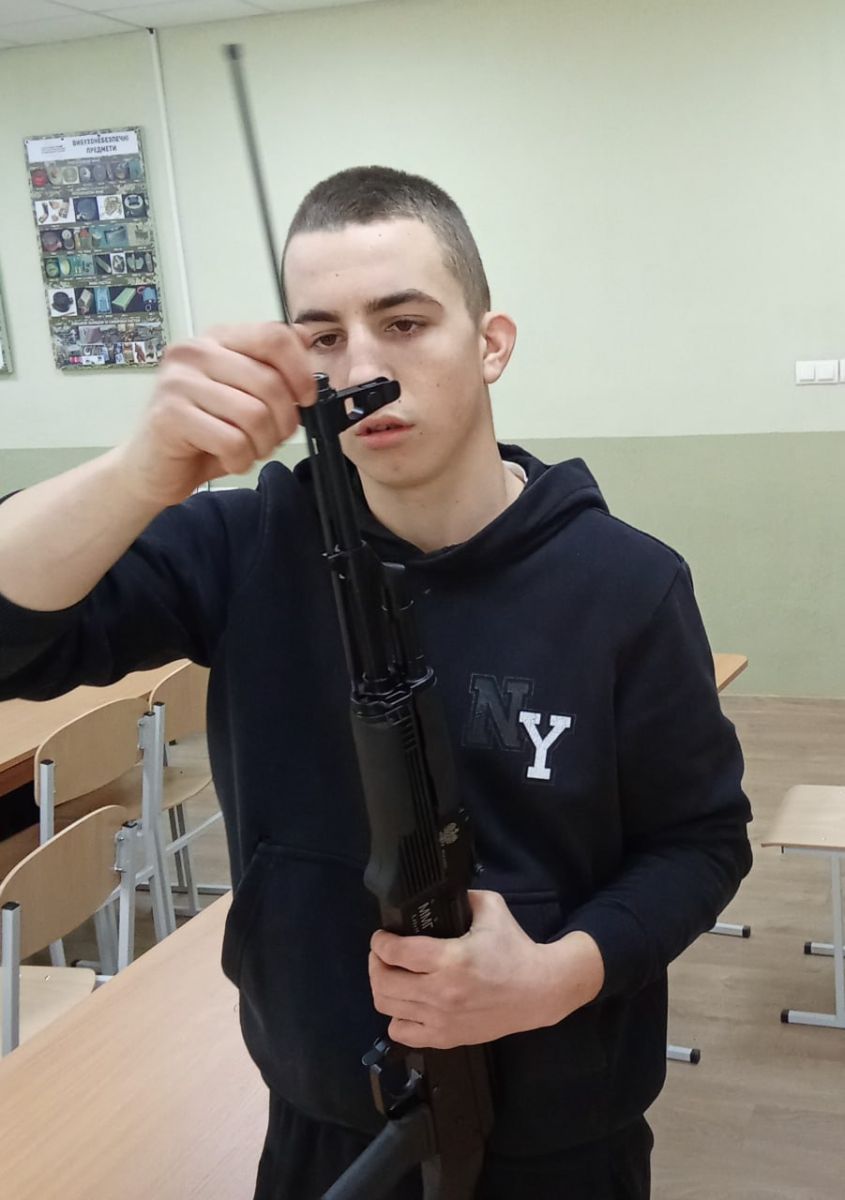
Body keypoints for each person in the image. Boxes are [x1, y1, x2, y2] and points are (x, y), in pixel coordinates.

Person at [0, 166, 752, 1199]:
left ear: (489, 344)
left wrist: (554, 975)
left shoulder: (625, 583)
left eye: (403, 324)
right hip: (319, 1123)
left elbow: (699, 841)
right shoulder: (245, 547)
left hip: (565, 1136)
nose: (361, 369)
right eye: (321, 338)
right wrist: (140, 469)